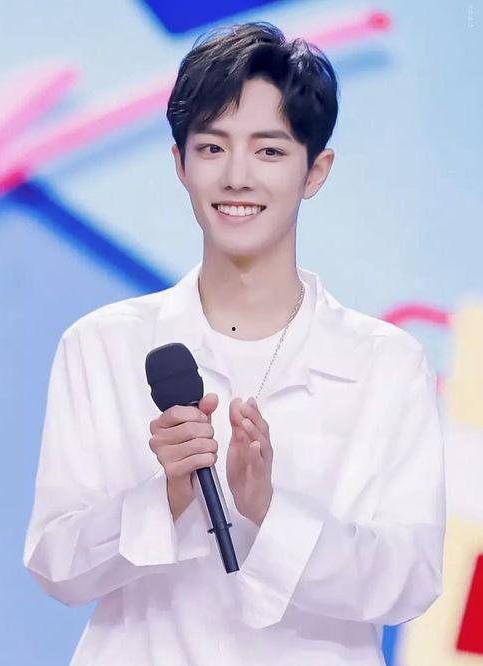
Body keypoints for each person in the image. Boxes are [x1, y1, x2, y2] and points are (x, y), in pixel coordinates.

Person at [23, 21, 446, 666]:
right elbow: (56, 568)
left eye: (269, 151)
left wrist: (270, 510)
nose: (237, 177)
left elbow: (409, 581)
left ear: (316, 170)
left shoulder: (385, 363)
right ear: (180, 164)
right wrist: (165, 496)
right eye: (212, 148)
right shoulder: (103, 345)